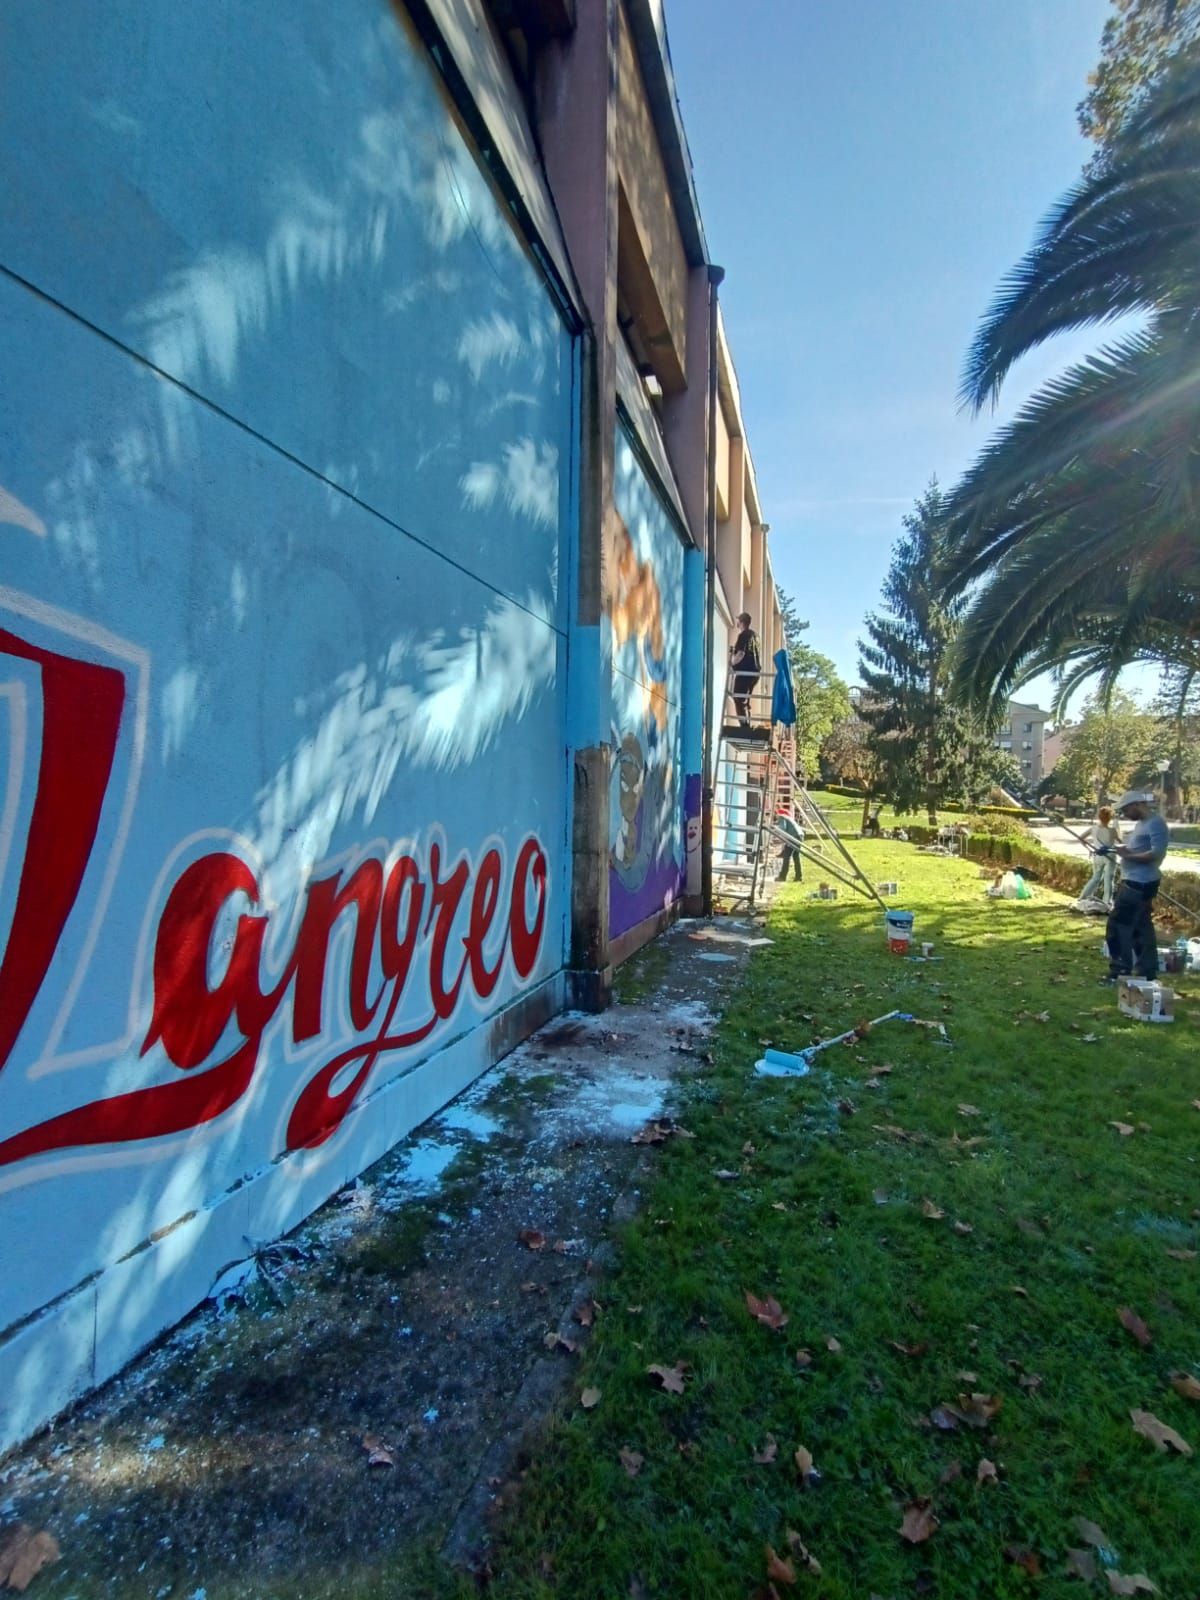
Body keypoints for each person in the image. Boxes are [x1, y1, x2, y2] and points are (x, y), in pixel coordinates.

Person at [1103, 791, 1169, 983]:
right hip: (1135, 880)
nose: (1124, 814)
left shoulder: (1156, 823)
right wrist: (1115, 849)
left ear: (1137, 805)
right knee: (1142, 927)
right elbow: (1136, 850)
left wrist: (1128, 856)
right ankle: (1147, 972)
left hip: (1139, 883)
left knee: (1118, 926)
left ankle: (1120, 971)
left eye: (1125, 810)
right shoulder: (1141, 824)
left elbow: (1156, 853)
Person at [1078, 805, 1120, 906]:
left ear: (1099, 817)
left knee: (1095, 878)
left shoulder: (1093, 828)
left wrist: (1089, 849)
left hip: (1097, 855)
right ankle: (1107, 901)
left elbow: (1081, 838)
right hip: (1110, 855)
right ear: (1110, 817)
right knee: (1108, 879)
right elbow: (1120, 842)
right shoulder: (1112, 830)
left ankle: (1083, 897)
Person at [729, 612, 761, 727]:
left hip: (745, 672)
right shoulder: (755, 636)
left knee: (738, 697)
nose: (737, 623)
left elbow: (741, 653)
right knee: (744, 699)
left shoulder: (743, 635)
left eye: (738, 621)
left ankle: (744, 726)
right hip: (755, 673)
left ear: (741, 622)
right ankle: (746, 723)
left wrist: (731, 663)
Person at [776, 809, 805, 881]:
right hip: (799, 836)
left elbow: (782, 828)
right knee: (796, 857)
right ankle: (799, 876)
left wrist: (775, 831)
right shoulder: (789, 818)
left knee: (786, 857)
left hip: (793, 837)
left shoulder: (782, 817)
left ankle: (782, 877)